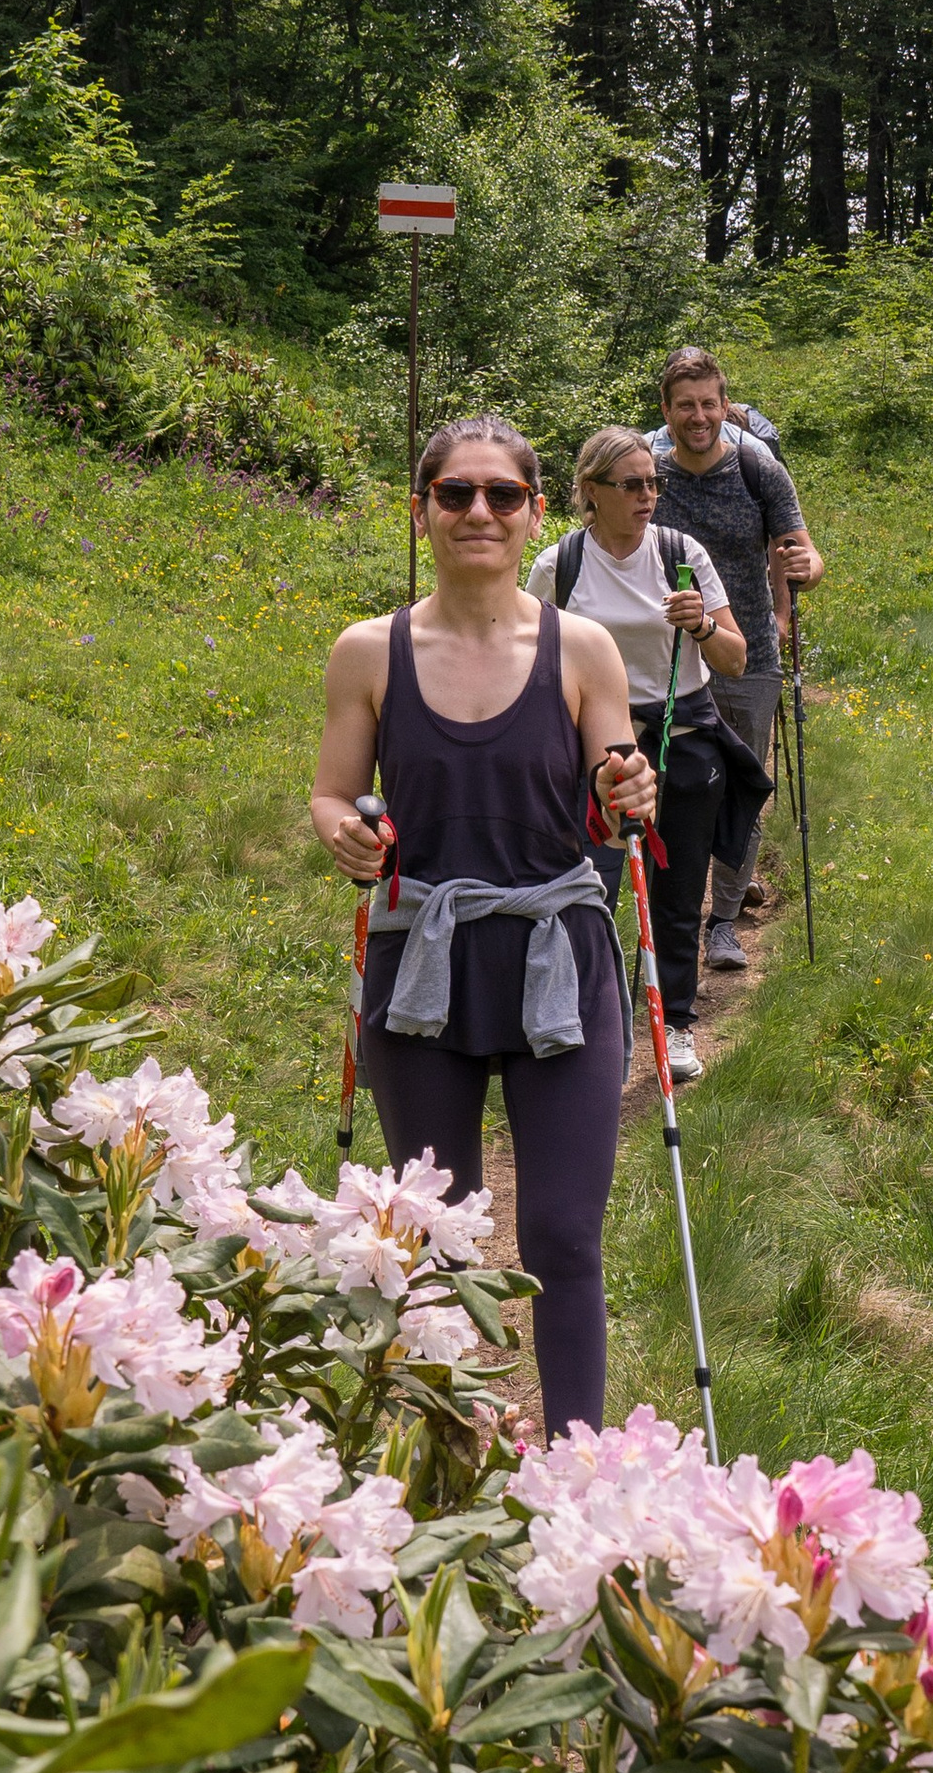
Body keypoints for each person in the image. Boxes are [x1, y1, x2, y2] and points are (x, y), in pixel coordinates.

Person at [310, 415, 656, 1442]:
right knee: (434, 1232)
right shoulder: (368, 651)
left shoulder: (580, 647)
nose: (478, 512)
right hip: (421, 964)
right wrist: (345, 833)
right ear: (421, 510)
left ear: (535, 512)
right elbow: (332, 795)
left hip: (559, 956)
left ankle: (576, 1464)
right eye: (454, 493)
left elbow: (620, 776)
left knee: (560, 1233)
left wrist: (625, 780)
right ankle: (444, 1452)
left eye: (502, 495)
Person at [528, 426, 759, 1086]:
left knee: (678, 896)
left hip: (683, 742)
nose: (648, 495)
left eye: (653, 483)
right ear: (591, 491)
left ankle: (675, 1027)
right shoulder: (560, 564)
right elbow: (533, 660)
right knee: (589, 890)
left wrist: (703, 624)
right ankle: (589, 1026)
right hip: (596, 757)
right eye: (631, 484)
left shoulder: (682, 554)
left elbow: (735, 657)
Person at [650, 347, 822, 974]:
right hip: (665, 659)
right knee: (671, 785)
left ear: (727, 407)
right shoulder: (649, 473)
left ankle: (722, 921)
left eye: (709, 404)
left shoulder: (758, 467)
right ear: (666, 411)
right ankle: (669, 910)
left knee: (744, 788)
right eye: (685, 406)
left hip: (748, 653)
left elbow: (801, 550)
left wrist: (806, 569)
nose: (698, 416)